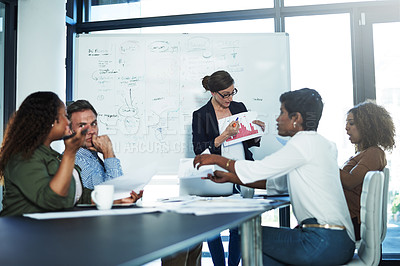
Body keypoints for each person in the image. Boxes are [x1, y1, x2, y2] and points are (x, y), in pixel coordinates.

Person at [193, 88, 356, 265]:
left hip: (322, 241)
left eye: (282, 113)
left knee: (245, 233)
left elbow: (260, 169)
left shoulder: (303, 142)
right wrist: (230, 177)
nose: (277, 119)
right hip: (341, 242)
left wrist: (216, 159)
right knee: (262, 251)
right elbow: (277, 184)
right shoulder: (319, 144)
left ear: (296, 118)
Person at [192, 70, 265, 266]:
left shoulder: (239, 107)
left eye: (233, 92)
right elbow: (199, 149)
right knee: (213, 228)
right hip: (216, 173)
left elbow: (246, 142)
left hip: (241, 171)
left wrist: (256, 134)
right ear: (213, 92)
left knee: (239, 227)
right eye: (225, 94)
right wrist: (224, 135)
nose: (230, 98)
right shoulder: (201, 115)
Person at [0, 91, 91, 216]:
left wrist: (113, 198)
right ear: (51, 121)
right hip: (24, 232)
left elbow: (75, 194)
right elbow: (52, 200)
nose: (68, 122)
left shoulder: (52, 154)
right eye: (64, 116)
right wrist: (70, 153)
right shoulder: (23, 157)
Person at [67, 100, 143, 202]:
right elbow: (113, 195)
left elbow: (118, 194)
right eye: (82, 126)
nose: (92, 131)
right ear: (70, 130)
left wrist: (128, 196)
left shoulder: (93, 156)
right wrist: (108, 152)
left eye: (93, 124)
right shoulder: (75, 162)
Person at [340, 100, 395, 240]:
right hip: (345, 220)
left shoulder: (374, 153)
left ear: (367, 126)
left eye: (351, 123)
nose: (346, 128)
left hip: (353, 224)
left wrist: (324, 161)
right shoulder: (362, 154)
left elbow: (350, 181)